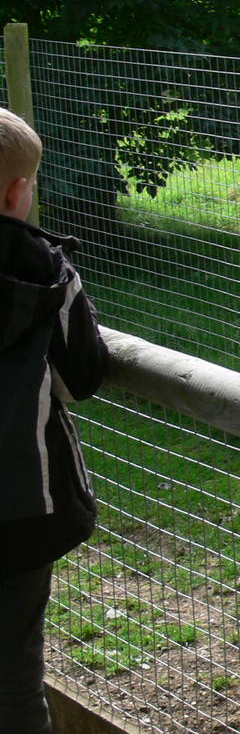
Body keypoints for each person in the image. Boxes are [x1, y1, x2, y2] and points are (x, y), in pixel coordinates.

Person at [0, 106, 108, 734]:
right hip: (17, 516)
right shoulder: (44, 268)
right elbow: (83, 374)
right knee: (12, 681)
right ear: (19, 192)